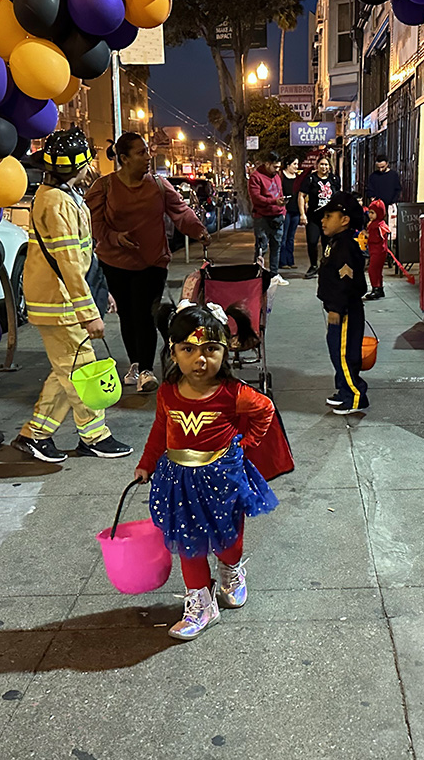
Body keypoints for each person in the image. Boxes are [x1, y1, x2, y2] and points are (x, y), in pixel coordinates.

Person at [136, 302, 292, 640]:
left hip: (223, 480)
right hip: (178, 481)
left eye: (210, 349)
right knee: (189, 543)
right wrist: (147, 463)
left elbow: (265, 409)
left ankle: (231, 569)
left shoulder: (233, 394)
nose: (199, 359)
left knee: (229, 540)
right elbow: (160, 431)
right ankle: (200, 603)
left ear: (226, 350)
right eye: (188, 349)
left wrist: (246, 443)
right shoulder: (167, 393)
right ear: (173, 351)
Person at [11, 127, 133, 462]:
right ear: (80, 165)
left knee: (66, 369)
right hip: (59, 302)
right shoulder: (58, 202)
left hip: (60, 298)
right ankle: (95, 436)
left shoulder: (60, 196)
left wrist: (98, 293)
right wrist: (88, 311)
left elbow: (80, 257)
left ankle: (35, 434)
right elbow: (68, 263)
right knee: (81, 371)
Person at [86, 132, 209, 393]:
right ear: (123, 159)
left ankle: (146, 370)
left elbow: (180, 212)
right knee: (128, 316)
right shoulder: (104, 187)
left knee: (145, 314)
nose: (148, 157)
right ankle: (135, 365)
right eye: (141, 152)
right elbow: (93, 223)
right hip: (115, 262)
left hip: (153, 263)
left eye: (147, 151)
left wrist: (199, 230)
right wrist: (115, 237)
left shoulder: (159, 185)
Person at [317, 192, 369, 414]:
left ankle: (355, 396)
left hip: (345, 310)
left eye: (329, 216)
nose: (323, 220)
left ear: (344, 220)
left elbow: (345, 281)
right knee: (337, 351)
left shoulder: (345, 245)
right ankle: (344, 390)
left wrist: (336, 308)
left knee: (345, 354)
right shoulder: (335, 242)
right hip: (338, 308)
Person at [248, 150, 289, 286]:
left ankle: (274, 274)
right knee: (261, 247)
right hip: (262, 217)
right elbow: (256, 198)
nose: (277, 170)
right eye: (275, 167)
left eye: (278, 167)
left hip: (278, 215)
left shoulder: (277, 176)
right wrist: (274, 201)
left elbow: (280, 192)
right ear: (267, 164)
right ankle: (257, 274)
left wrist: (283, 210)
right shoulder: (256, 177)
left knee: (276, 246)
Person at [300, 155, 336, 279]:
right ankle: (313, 265)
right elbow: (301, 195)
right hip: (314, 217)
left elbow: (338, 196)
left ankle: (326, 266)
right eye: (321, 164)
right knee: (312, 241)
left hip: (330, 218)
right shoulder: (310, 179)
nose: (324, 167)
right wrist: (302, 214)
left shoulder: (334, 179)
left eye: (326, 164)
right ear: (317, 165)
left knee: (328, 243)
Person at [278, 155, 301, 270]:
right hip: (285, 210)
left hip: (295, 210)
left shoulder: (297, 178)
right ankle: (282, 261)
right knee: (284, 236)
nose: (296, 167)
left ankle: (290, 261)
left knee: (291, 237)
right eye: (294, 164)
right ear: (288, 164)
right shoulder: (281, 176)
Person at [365, 198, 389, 301]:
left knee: (373, 270)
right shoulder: (379, 223)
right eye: (369, 212)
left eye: (372, 212)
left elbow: (375, 238)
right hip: (379, 251)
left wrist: (366, 235)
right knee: (378, 271)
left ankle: (376, 288)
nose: (370, 215)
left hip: (377, 251)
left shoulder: (376, 225)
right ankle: (379, 289)